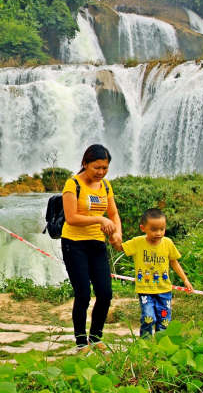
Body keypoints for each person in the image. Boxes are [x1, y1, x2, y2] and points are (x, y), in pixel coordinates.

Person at [61, 144, 121, 354]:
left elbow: (113, 214)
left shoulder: (105, 186)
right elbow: (71, 218)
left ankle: (95, 338)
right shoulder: (73, 184)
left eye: (105, 168)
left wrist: (117, 233)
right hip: (74, 244)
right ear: (85, 164)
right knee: (83, 295)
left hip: (97, 244)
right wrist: (99, 218)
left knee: (105, 293)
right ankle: (80, 343)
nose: (101, 172)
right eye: (97, 167)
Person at [111, 208, 193, 337]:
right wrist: (113, 236)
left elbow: (174, 262)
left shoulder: (168, 243)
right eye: (153, 229)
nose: (158, 233)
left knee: (164, 321)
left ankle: (162, 344)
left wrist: (185, 279)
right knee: (148, 318)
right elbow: (120, 247)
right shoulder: (137, 242)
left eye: (162, 229)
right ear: (143, 228)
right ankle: (145, 342)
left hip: (164, 290)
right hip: (145, 289)